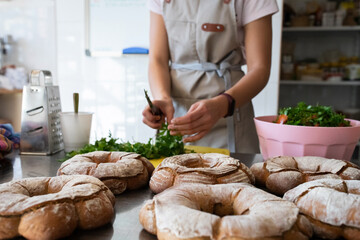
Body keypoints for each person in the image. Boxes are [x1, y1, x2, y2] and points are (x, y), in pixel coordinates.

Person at [142, 0, 279, 153]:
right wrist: (162, 99)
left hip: (231, 115)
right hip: (176, 115)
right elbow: (157, 60)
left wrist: (223, 105)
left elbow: (260, 69)